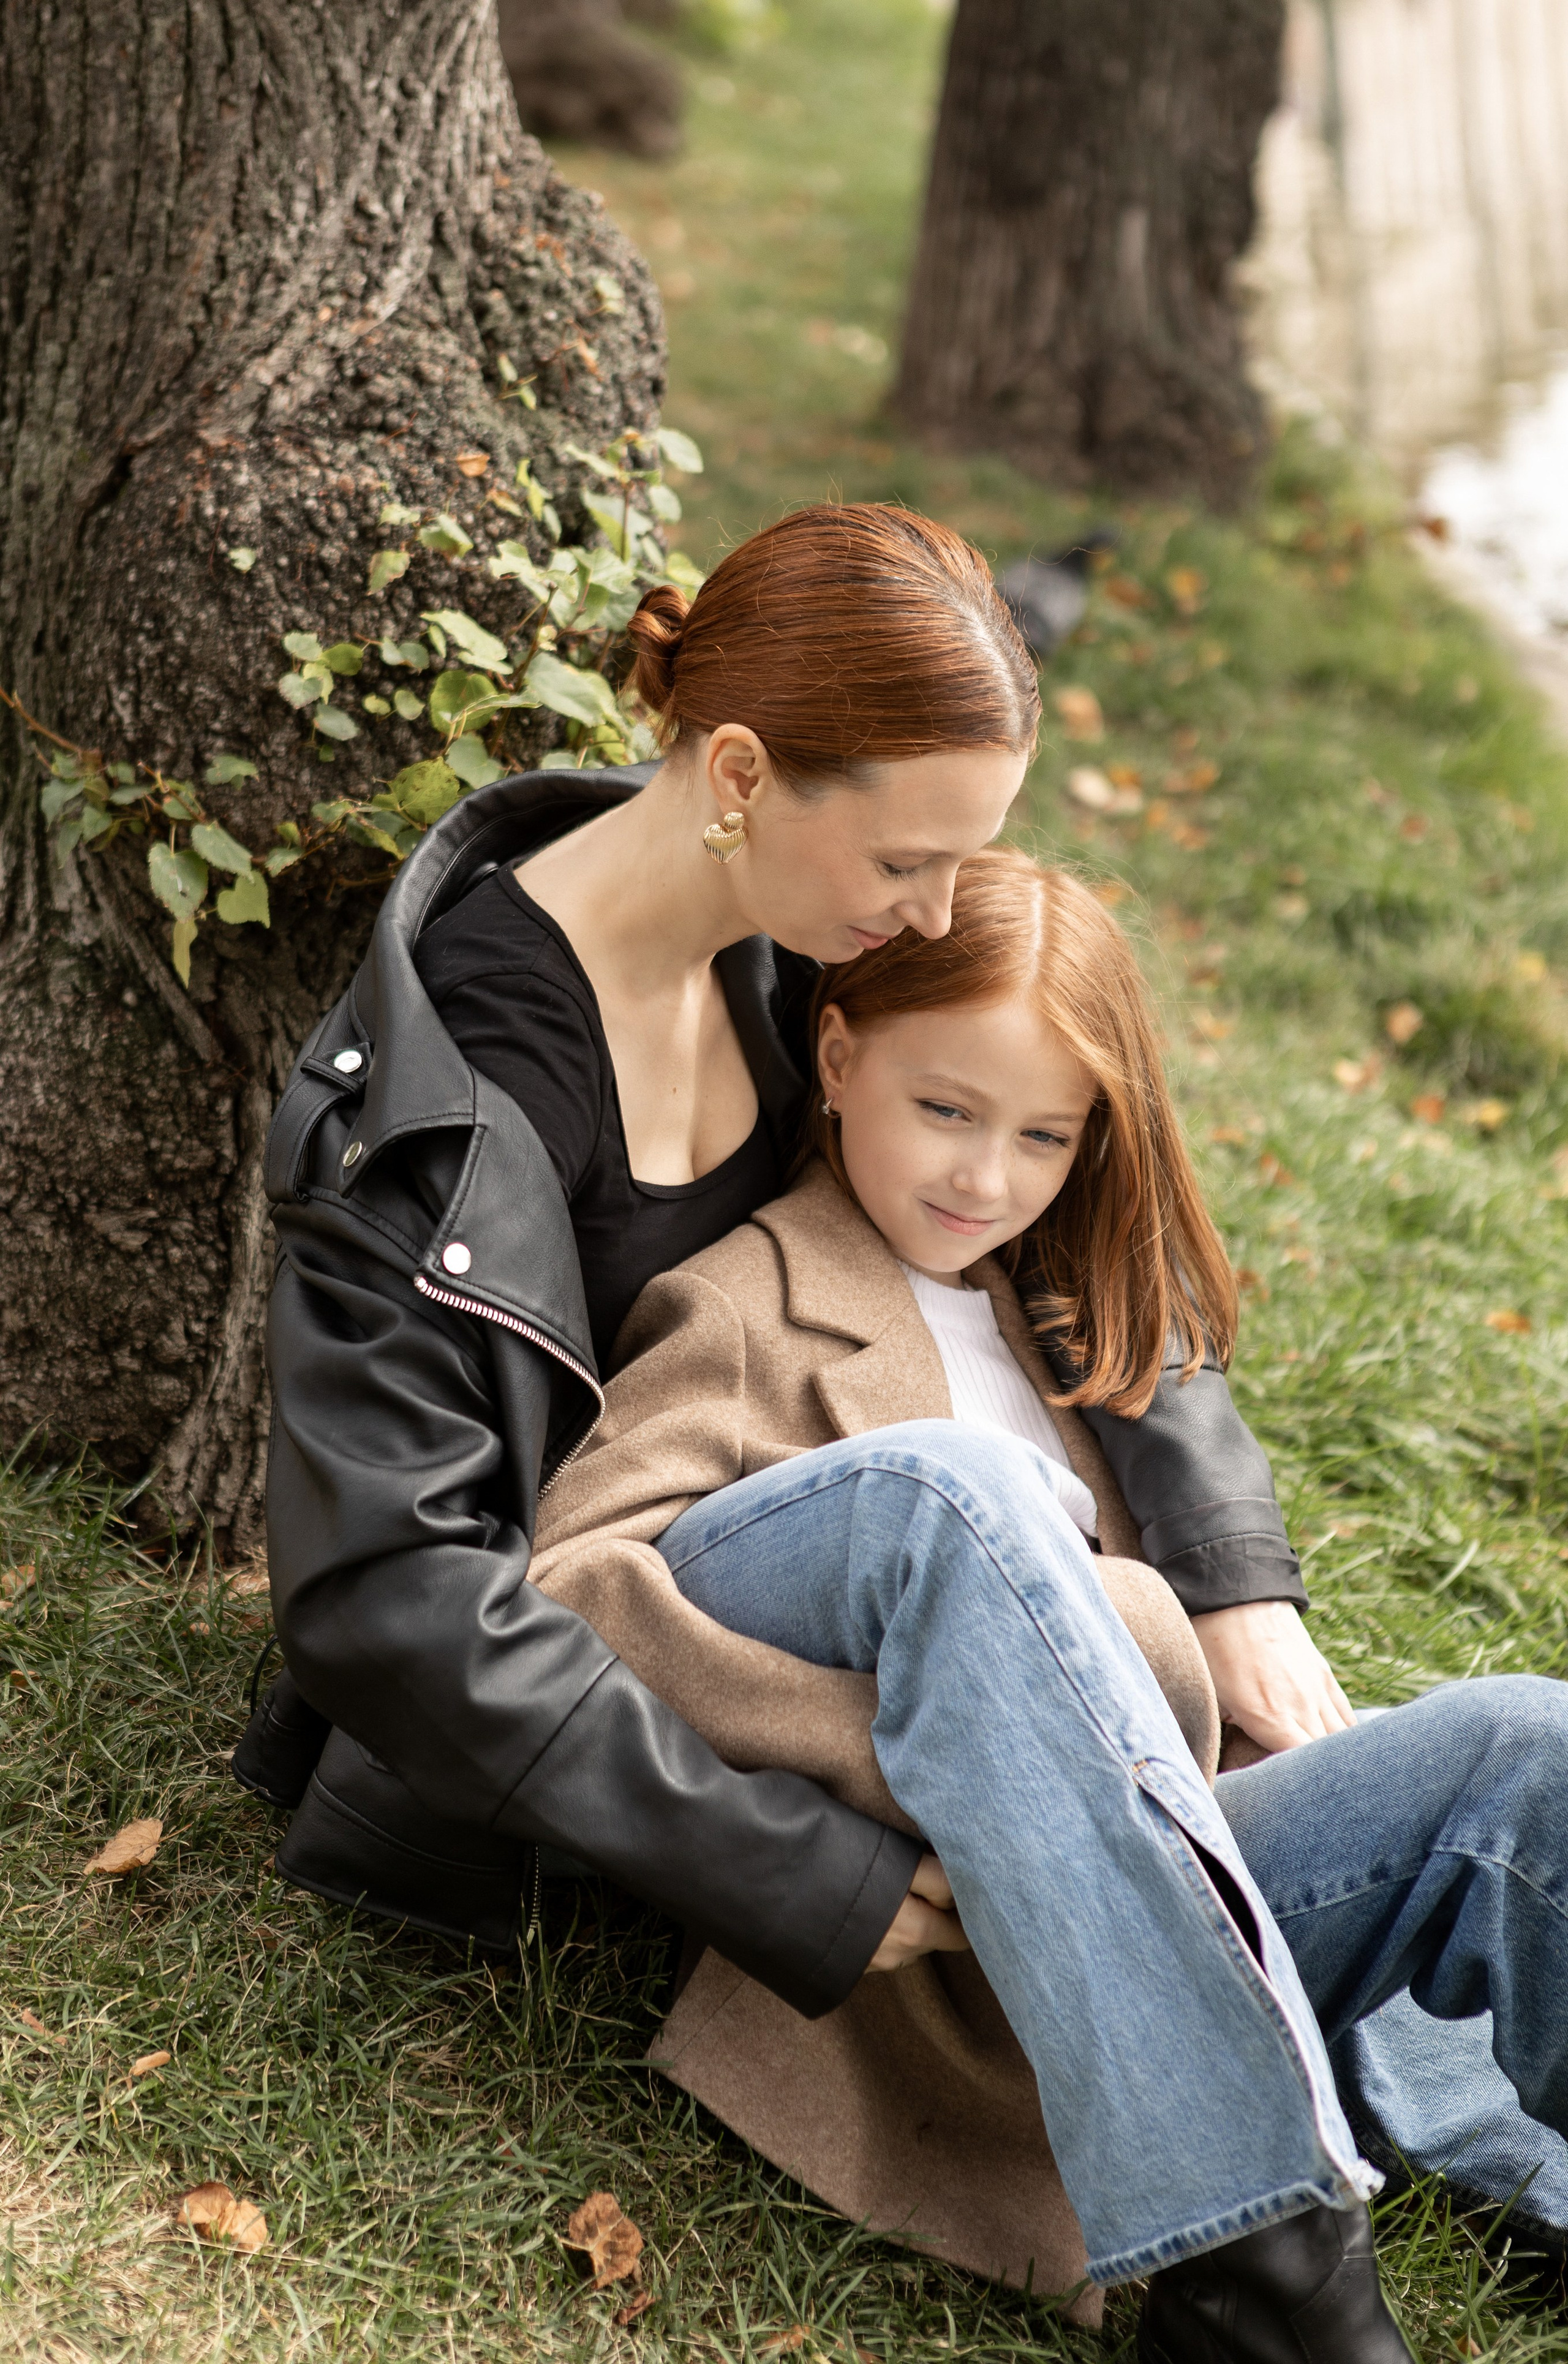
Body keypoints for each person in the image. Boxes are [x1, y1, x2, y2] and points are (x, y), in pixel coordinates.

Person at [240, 505, 1373, 2357]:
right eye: (916, 858)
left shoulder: (803, 948)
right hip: (664, 1705)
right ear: (744, 772)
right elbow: (386, 1594)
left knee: (1512, 1775)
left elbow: (1059, 1184)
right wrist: (800, 1868)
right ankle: (1273, 2279)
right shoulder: (439, 1093)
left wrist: (1237, 1576)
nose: (937, 912)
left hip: (954, 1635)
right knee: (959, 1492)